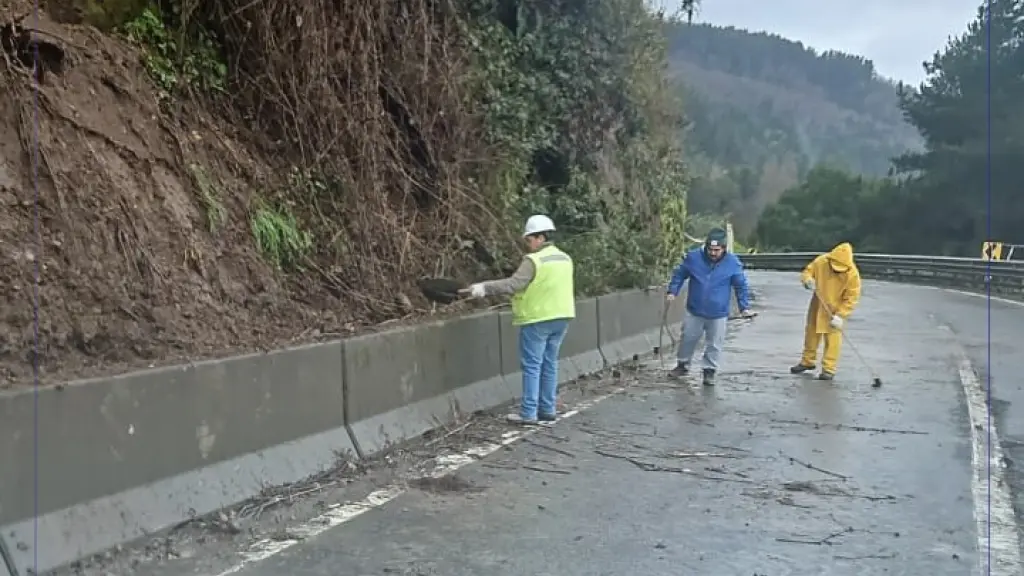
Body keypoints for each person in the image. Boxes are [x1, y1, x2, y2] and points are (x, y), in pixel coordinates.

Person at [461, 215, 575, 425]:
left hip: (537, 319)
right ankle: (547, 409)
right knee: (549, 364)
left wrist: (484, 288)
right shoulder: (564, 258)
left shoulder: (534, 261)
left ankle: (529, 413)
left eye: (530, 239)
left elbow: (513, 285)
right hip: (563, 317)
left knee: (532, 365)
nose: (528, 244)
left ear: (540, 237)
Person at [665, 228, 754, 386]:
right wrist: (673, 291)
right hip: (695, 309)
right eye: (710, 249)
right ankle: (683, 365)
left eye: (717, 250)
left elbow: (741, 286)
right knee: (688, 338)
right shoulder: (693, 258)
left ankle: (709, 371)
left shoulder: (733, 263)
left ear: (724, 249)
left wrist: (744, 307)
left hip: (718, 313)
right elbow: (679, 274)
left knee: (715, 343)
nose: (713, 253)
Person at [790, 241, 862, 380]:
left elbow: (852, 298)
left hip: (835, 310)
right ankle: (807, 361)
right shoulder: (822, 261)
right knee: (811, 333)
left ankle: (829, 369)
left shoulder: (852, 275)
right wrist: (807, 280)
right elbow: (808, 271)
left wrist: (841, 315)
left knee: (833, 339)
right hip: (818, 304)